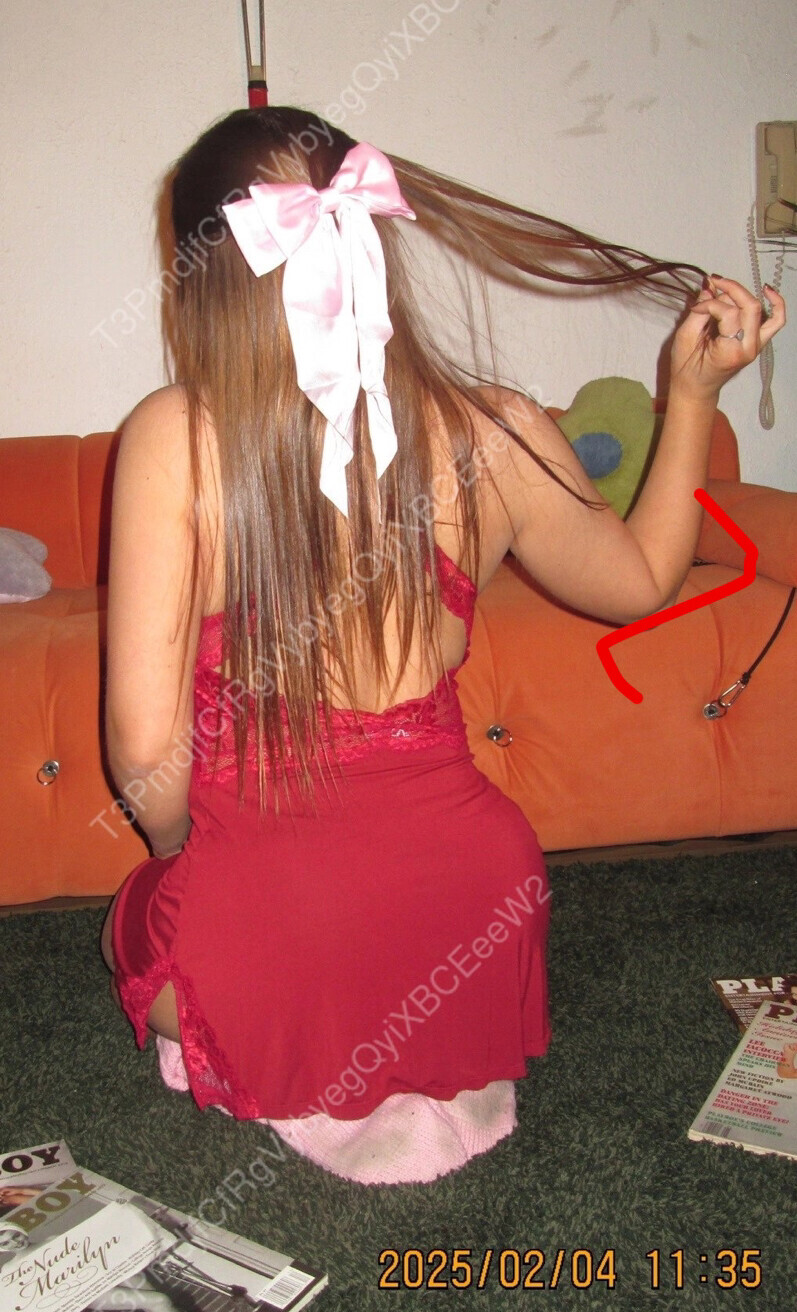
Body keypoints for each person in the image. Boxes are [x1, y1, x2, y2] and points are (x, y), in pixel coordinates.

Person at [100, 105, 785, 1185]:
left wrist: (186, 854)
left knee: (134, 923)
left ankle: (281, 1040)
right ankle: (413, 1046)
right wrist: (689, 394)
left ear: (198, 283)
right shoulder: (495, 428)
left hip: (281, 924)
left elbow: (147, 756)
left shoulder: (169, 438)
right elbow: (643, 582)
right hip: (476, 903)